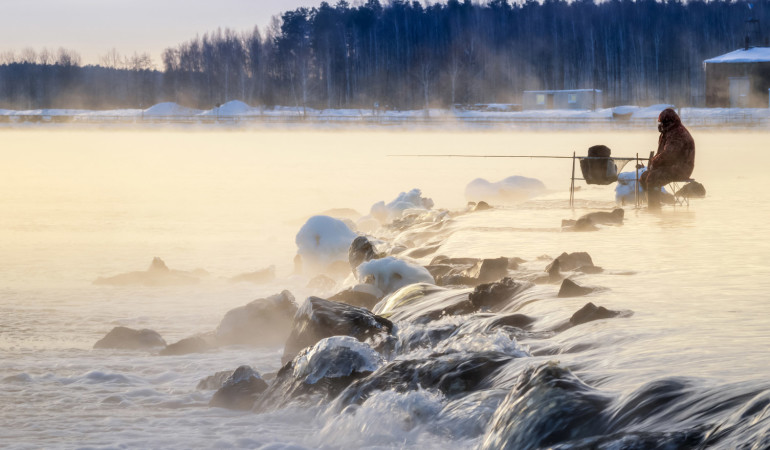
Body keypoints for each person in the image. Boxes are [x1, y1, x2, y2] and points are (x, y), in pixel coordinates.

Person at [641, 108, 695, 209]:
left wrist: (654, 162)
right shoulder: (667, 133)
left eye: (662, 122)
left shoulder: (677, 133)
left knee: (653, 178)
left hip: (681, 168)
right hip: (670, 166)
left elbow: (670, 154)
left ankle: (654, 209)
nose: (660, 125)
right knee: (644, 176)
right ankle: (659, 200)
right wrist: (654, 164)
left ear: (668, 122)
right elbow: (662, 153)